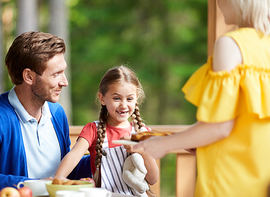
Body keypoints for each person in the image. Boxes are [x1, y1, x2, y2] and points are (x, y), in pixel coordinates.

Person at [133, 0, 270, 196]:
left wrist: (163, 145)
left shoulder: (231, 44)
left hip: (227, 182)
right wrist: (194, 140)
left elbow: (219, 126)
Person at [0, 31, 90, 191]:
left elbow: (64, 174)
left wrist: (108, 158)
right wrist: (37, 185)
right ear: (29, 76)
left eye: (63, 72)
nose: (65, 82)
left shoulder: (56, 113)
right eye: (56, 74)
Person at [54, 66, 159, 195]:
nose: (124, 105)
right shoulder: (93, 130)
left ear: (136, 99)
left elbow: (153, 179)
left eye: (129, 99)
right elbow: (74, 155)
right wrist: (57, 179)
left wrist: (142, 151)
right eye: (117, 98)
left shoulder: (143, 133)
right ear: (102, 98)